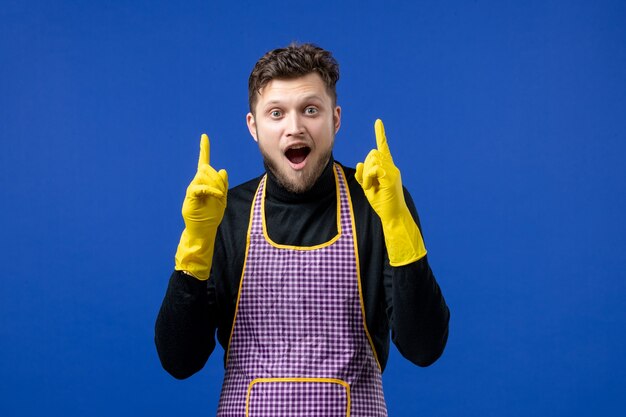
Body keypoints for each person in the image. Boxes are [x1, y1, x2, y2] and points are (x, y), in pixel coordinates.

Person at [155, 43, 449, 417]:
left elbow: (425, 348)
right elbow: (179, 361)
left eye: (310, 110)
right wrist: (196, 243)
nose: (294, 128)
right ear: (254, 126)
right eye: (276, 113)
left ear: (335, 119)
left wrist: (397, 222)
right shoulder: (223, 213)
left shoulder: (377, 202)